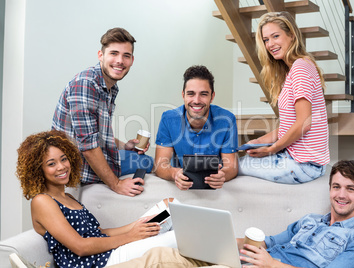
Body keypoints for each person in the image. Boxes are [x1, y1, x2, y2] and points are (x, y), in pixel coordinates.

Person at [107, 160, 354, 268]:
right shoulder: (309, 221)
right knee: (161, 256)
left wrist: (272, 265)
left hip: (265, 267)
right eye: (336, 187)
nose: (341, 195)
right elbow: (268, 243)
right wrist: (217, 239)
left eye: (350, 189)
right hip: (248, 260)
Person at [16, 130, 178, 267]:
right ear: (38, 170)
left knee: (170, 206)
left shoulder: (69, 197)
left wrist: (135, 226)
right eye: (51, 164)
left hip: (110, 250)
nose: (61, 166)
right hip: (102, 261)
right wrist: (131, 237)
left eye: (64, 159)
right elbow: (80, 246)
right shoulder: (42, 201)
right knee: (177, 238)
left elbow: (98, 233)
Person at [52, 27, 152, 197]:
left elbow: (95, 133)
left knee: (148, 161)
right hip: (78, 168)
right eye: (114, 53)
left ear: (132, 60)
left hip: (92, 156)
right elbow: (88, 147)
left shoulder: (109, 87)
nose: (120, 61)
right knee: (152, 163)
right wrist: (117, 184)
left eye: (126, 56)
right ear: (101, 55)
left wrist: (125, 146)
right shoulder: (85, 85)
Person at [238, 11, 330, 184]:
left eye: (275, 36)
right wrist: (258, 141)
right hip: (301, 162)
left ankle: (173, 209)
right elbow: (288, 128)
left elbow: (304, 123)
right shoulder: (293, 71)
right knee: (236, 161)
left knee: (231, 166)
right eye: (266, 40)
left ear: (292, 35)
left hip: (303, 165)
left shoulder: (300, 68)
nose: (270, 44)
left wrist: (273, 149)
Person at [154, 65, 238, 190]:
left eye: (203, 94)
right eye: (191, 94)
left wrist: (223, 175)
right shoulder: (168, 119)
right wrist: (175, 173)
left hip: (213, 188)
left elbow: (231, 166)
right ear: (183, 95)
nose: (197, 100)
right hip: (182, 187)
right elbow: (160, 165)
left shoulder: (227, 120)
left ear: (212, 96)